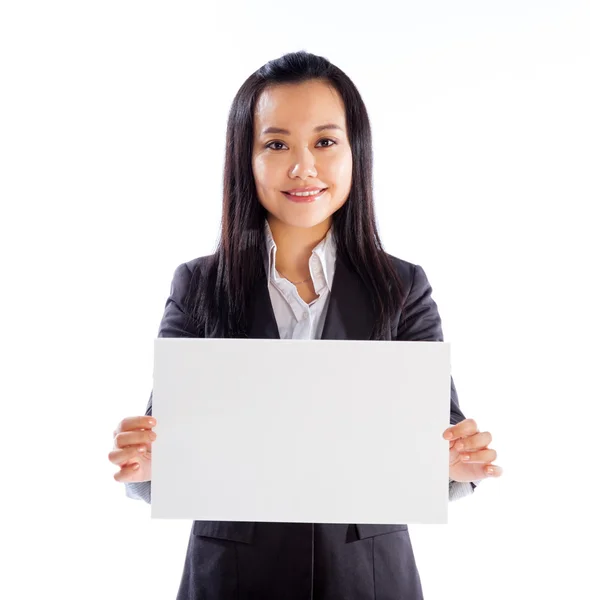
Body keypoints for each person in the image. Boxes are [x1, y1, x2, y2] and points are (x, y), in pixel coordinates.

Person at [108, 50, 502, 600]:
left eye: (324, 141)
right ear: (244, 158)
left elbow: (439, 445)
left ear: (354, 152)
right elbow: (167, 450)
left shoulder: (402, 287)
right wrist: (149, 463)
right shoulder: (198, 285)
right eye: (276, 144)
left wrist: (456, 464)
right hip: (233, 578)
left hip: (368, 577)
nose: (303, 167)